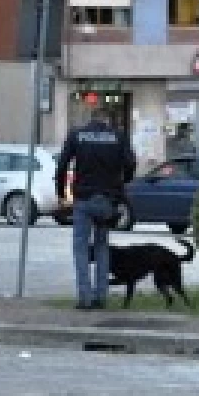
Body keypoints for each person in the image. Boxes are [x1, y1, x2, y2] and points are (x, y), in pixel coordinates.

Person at [56, 109, 135, 311]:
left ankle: (85, 297)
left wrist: (62, 193)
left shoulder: (77, 134)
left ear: (90, 119)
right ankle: (101, 296)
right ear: (106, 120)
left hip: (83, 198)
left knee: (80, 248)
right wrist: (122, 183)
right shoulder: (118, 136)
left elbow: (63, 165)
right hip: (107, 198)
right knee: (102, 246)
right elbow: (130, 163)